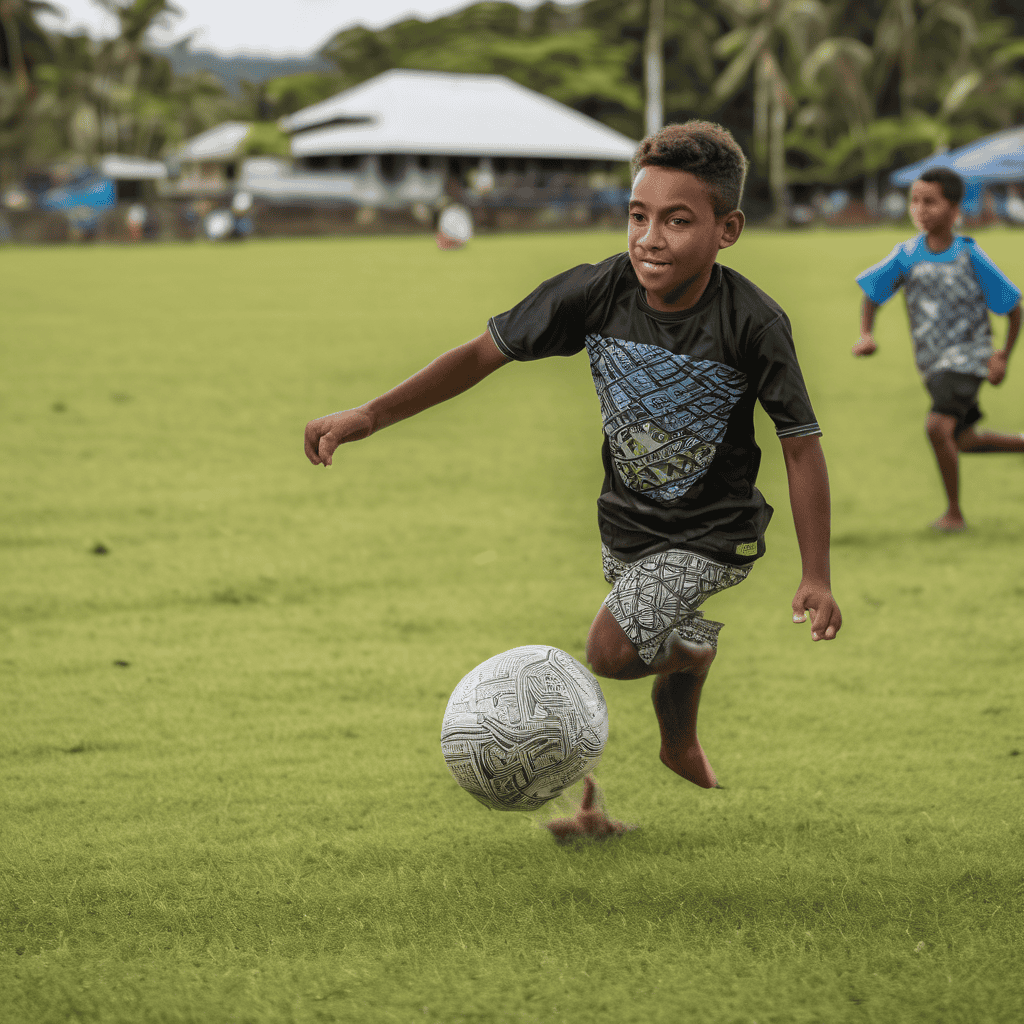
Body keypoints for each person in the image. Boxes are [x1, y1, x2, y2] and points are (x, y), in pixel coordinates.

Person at [305, 121, 842, 798]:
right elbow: (480, 355)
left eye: (677, 221)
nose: (650, 238)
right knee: (656, 641)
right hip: (626, 524)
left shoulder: (753, 322)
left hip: (714, 532)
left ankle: (684, 659)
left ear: (726, 230)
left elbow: (800, 445)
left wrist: (816, 575)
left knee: (609, 652)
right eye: (638, 216)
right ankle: (681, 731)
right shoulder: (596, 291)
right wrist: (370, 415)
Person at [854, 167, 1023, 532]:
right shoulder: (906, 254)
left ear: (955, 208)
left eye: (930, 201)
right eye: (915, 201)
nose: (920, 209)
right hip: (932, 365)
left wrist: (1002, 356)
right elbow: (873, 295)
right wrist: (866, 334)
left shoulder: (969, 255)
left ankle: (954, 515)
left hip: (968, 359)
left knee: (936, 427)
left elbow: (1012, 307)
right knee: (964, 440)